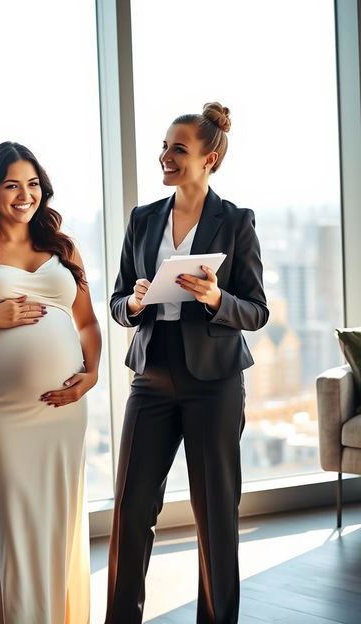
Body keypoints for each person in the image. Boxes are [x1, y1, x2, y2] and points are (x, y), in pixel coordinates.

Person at [105, 103, 269, 624]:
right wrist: (133, 303)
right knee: (132, 510)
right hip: (150, 375)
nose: (166, 156)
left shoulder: (236, 222)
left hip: (214, 382)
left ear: (209, 159)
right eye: (164, 146)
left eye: (179, 149)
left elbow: (257, 311)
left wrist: (218, 299)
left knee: (216, 515)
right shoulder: (143, 219)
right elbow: (117, 303)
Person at [0, 141, 101, 623]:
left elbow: (89, 323)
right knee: (12, 525)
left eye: (32, 184)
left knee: (54, 522)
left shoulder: (62, 247)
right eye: (11, 184)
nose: (24, 194)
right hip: (0, 414)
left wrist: (90, 376)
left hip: (62, 409)